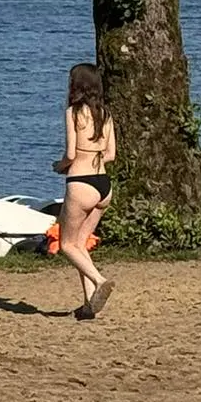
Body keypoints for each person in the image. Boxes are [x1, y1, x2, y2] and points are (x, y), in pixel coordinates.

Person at [53, 62, 117, 319]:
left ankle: (99, 281)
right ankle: (91, 304)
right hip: (103, 184)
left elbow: (70, 153)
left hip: (81, 182)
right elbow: (111, 154)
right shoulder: (106, 114)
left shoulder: (74, 112)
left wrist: (60, 166)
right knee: (81, 245)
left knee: (66, 244)